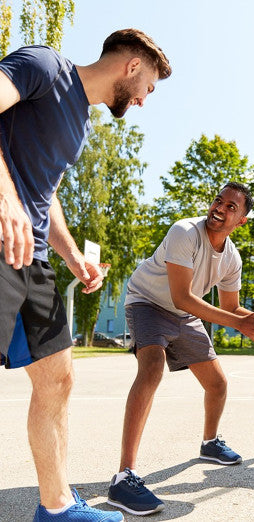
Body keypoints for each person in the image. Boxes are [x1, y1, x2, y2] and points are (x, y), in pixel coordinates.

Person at [0, 29, 171, 521]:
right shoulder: (44, 66)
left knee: (58, 378)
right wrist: (6, 201)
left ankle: (56, 509)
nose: (143, 101)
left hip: (31, 256)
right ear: (132, 66)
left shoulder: (77, 120)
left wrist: (73, 255)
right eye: (149, 89)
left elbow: (43, 189)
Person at [107, 182, 254, 516]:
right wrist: (238, 323)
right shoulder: (184, 231)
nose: (220, 208)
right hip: (148, 303)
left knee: (218, 383)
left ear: (241, 220)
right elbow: (183, 295)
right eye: (218, 201)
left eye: (231, 207)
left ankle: (210, 443)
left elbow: (232, 306)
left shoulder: (231, 259)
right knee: (152, 367)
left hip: (184, 314)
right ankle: (124, 477)